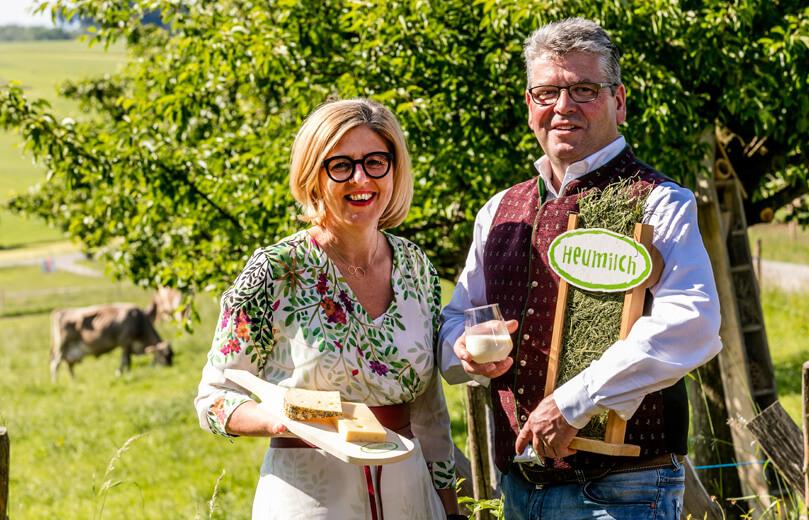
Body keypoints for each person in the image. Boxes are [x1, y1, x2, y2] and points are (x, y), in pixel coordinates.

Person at [438, 17, 723, 520]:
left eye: (584, 90)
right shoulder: (498, 210)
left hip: (623, 492)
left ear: (619, 101)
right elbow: (455, 323)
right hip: (518, 489)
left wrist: (574, 403)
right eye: (547, 92)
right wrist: (464, 352)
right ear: (530, 105)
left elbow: (694, 322)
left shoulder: (660, 203)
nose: (563, 107)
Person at [195, 98, 466, 520]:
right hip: (309, 500)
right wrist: (277, 420)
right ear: (313, 175)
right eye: (340, 165)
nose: (361, 177)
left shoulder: (416, 268)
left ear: (394, 169)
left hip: (412, 501)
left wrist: (450, 508)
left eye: (376, 161)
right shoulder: (275, 271)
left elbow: (429, 411)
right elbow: (212, 400)